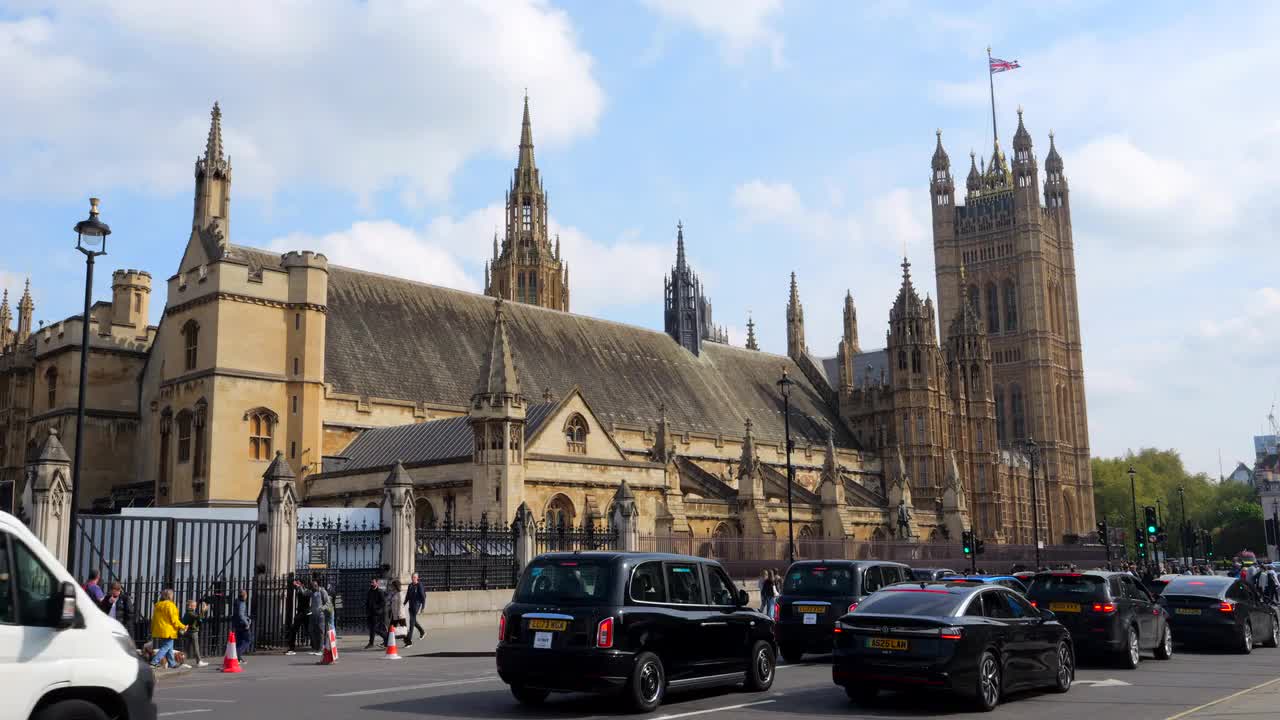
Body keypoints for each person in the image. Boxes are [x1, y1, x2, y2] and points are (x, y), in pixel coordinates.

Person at [149, 589, 188, 670]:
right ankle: (154, 662)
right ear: (170, 596)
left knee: (169, 647)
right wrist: (183, 626)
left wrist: (152, 629)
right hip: (168, 630)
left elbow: (154, 619)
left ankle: (172, 663)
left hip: (160, 629)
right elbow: (174, 620)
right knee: (166, 646)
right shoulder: (170, 605)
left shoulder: (158, 605)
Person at [285, 578, 313, 656]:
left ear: (302, 584)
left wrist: (298, 586)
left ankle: (315, 646)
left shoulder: (308, 591)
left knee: (309, 630)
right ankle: (291, 648)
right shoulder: (299, 590)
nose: (297, 584)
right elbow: (296, 589)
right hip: (300, 613)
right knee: (294, 629)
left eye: (299, 583)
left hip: (306, 613)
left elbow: (304, 594)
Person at [180, 598, 209, 667]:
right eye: (194, 606)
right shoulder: (190, 613)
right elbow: (199, 618)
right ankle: (198, 661)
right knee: (196, 647)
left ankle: (183, 663)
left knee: (186, 648)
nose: (195, 607)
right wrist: (203, 610)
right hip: (192, 632)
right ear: (190, 606)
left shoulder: (188, 613)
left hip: (188, 632)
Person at [309, 578, 329, 655]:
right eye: (311, 586)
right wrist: (299, 586)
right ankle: (315, 648)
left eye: (314, 585)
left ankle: (320, 649)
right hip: (313, 614)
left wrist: (322, 609)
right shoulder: (312, 592)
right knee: (312, 631)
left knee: (321, 632)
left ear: (317, 585)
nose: (312, 587)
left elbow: (328, 603)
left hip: (320, 615)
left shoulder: (322, 591)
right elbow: (304, 593)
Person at [405, 572, 426, 646]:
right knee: (413, 621)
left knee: (411, 622)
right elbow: (407, 596)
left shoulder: (419, 585)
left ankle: (409, 641)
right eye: (412, 577)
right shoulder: (410, 585)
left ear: (417, 578)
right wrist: (404, 603)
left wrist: (423, 607)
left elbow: (423, 597)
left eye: (414, 577)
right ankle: (422, 631)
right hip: (411, 605)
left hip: (416, 606)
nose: (413, 578)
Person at [365, 578, 387, 649]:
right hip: (370, 613)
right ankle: (371, 643)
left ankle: (386, 638)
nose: (371, 584)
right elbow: (368, 601)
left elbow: (383, 602)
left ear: (377, 583)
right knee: (371, 628)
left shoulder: (380, 591)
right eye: (371, 582)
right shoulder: (370, 591)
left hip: (377, 613)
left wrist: (376, 607)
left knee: (375, 628)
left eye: (373, 582)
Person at [232, 589, 253, 661]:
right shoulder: (242, 603)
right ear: (245, 596)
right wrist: (247, 623)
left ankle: (238, 658)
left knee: (239, 641)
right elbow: (241, 615)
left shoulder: (236, 601)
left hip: (236, 624)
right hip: (242, 625)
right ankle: (238, 654)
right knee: (248, 640)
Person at [387, 579, 406, 646]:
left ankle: (408, 642)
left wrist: (399, 615)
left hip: (399, 615)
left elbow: (400, 605)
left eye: (392, 586)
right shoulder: (394, 593)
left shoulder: (400, 594)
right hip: (394, 614)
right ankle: (386, 643)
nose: (391, 587)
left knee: (403, 630)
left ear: (395, 586)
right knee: (391, 628)